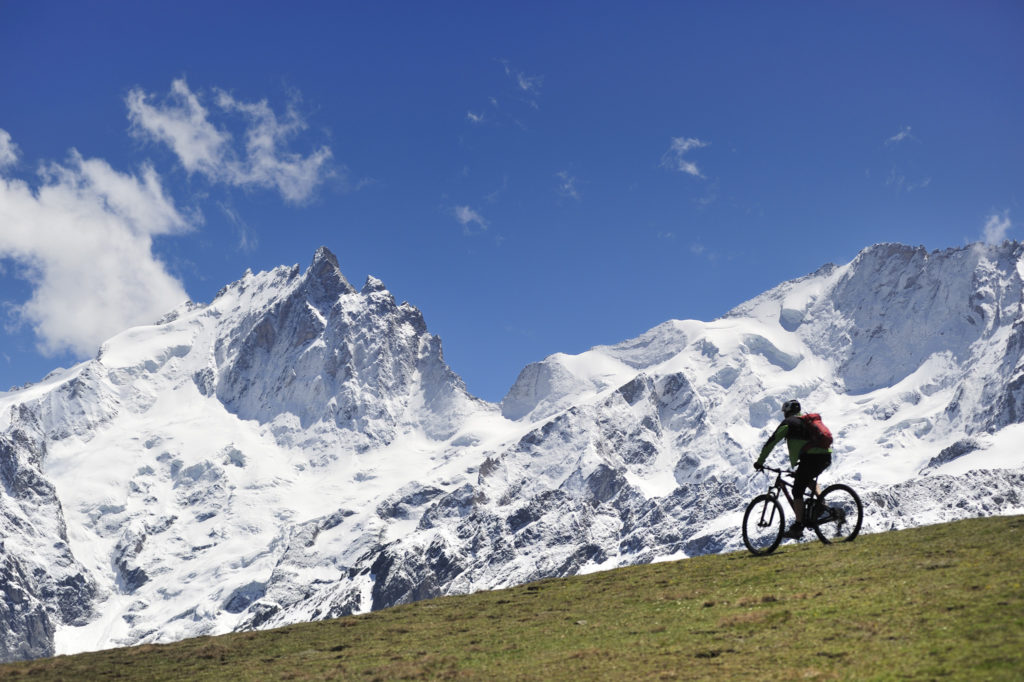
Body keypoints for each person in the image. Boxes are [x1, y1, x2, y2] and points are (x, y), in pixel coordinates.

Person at [754, 399, 832, 539]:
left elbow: (772, 442)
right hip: (825, 457)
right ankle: (822, 502)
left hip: (810, 459)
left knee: (797, 490)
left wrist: (760, 462)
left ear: (787, 412)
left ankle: (798, 526)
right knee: (806, 478)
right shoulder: (807, 422)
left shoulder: (788, 424)